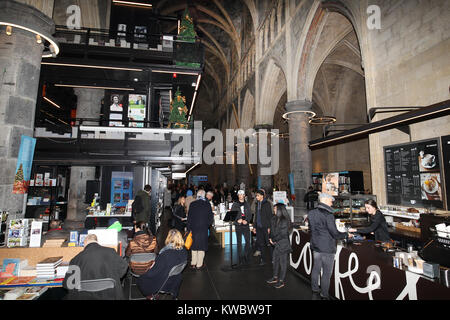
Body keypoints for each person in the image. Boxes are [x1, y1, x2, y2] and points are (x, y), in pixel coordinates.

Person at [308, 192, 351, 300]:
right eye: (331, 201)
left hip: (316, 245)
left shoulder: (311, 213)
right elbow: (334, 233)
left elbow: (311, 229)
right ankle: (324, 294)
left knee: (316, 268)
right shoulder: (328, 214)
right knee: (327, 273)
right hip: (327, 247)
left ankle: (314, 289)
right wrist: (346, 234)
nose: (332, 203)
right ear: (326, 200)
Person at [63, 234, 128, 300]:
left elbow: (68, 284)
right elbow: (123, 268)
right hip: (111, 296)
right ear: (97, 241)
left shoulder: (76, 259)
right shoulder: (111, 252)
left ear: (84, 244)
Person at [137, 229, 188, 299]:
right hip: (175, 279)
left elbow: (152, 273)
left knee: (142, 279)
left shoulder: (165, 254)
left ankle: (150, 295)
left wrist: (149, 268)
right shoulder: (184, 251)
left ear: (168, 238)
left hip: (164, 281)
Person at [267, 203, 293, 289]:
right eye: (274, 209)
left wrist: (273, 240)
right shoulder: (274, 218)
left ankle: (281, 281)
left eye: (275, 209)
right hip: (277, 243)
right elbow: (272, 231)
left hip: (283, 244)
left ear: (279, 210)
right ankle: (275, 277)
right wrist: (271, 238)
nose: (274, 210)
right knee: (275, 261)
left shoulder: (284, 220)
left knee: (283, 263)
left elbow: (282, 234)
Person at [187, 189, 214, 269]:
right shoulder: (207, 204)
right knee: (202, 246)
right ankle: (199, 264)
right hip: (203, 228)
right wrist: (207, 225)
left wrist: (189, 228)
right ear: (204, 195)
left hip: (194, 228)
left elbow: (189, 218)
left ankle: (193, 263)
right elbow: (210, 218)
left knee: (194, 245)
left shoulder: (192, 204)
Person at [231, 190, 252, 265]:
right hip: (238, 226)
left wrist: (247, 220)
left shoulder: (247, 204)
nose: (241, 196)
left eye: (242, 194)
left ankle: (246, 255)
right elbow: (232, 216)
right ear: (238, 195)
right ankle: (240, 257)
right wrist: (237, 220)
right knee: (239, 242)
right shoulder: (235, 204)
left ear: (244, 195)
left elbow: (250, 214)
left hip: (245, 225)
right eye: (239, 194)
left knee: (248, 241)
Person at [252, 189, 273, 265]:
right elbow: (256, 216)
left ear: (261, 196)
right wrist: (254, 226)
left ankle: (273, 258)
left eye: (257, 196)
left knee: (268, 243)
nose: (256, 197)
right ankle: (263, 259)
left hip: (265, 226)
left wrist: (269, 227)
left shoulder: (267, 204)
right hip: (258, 226)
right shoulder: (257, 204)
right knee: (261, 243)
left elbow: (270, 216)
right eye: (256, 195)